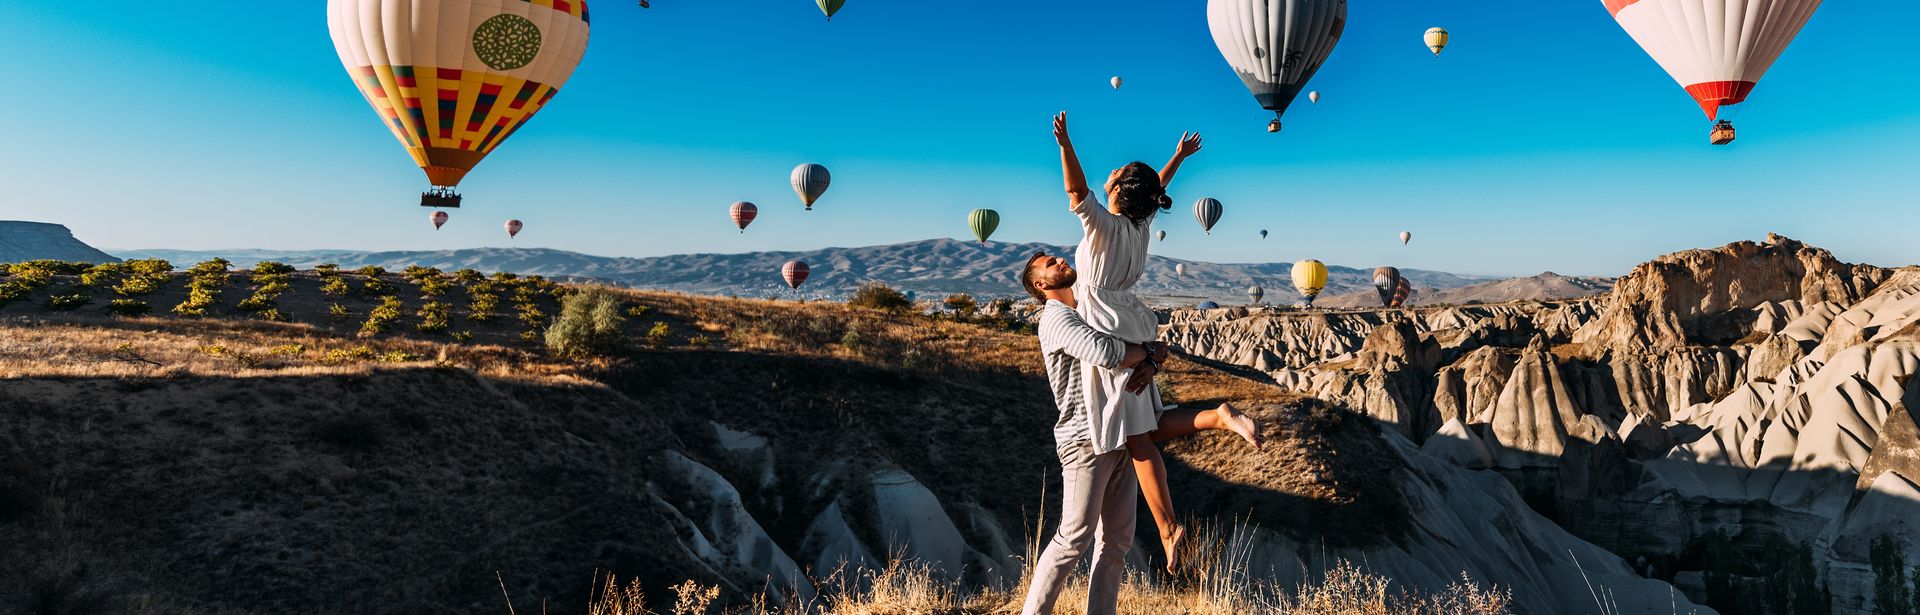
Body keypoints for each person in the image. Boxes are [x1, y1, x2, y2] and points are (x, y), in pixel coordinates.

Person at [1049, 112, 1263, 573]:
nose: (1108, 175)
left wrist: (1066, 145)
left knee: (1136, 437)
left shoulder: (1102, 226)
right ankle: (1216, 417)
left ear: (1118, 192)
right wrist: (1178, 159)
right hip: (1132, 322)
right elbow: (1153, 190)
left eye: (1115, 174)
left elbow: (1075, 191)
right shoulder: (1141, 228)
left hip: (1105, 325)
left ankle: (1168, 530)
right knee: (1146, 427)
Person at [1017, 252, 1265, 615]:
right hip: (1084, 440)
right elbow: (1102, 351)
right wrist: (1147, 352)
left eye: (1055, 257)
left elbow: (1133, 332)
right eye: (1048, 263)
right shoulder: (1055, 318)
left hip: (1117, 432)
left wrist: (1150, 358)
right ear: (1040, 285)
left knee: (1116, 541)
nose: (1058, 259)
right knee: (1073, 537)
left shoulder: (1087, 307)